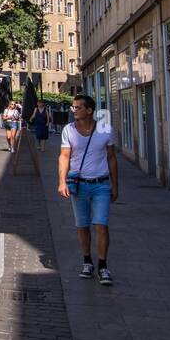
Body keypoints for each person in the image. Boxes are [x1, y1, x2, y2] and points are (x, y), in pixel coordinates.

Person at [57, 94, 118, 285]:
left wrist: (115, 185)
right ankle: (87, 261)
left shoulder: (105, 130)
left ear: (89, 110)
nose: (74, 110)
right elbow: (64, 156)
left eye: (78, 107)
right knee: (82, 225)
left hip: (101, 184)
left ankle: (103, 265)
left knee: (101, 224)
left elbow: (111, 158)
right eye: (73, 107)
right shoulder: (69, 130)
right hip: (79, 184)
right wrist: (62, 181)